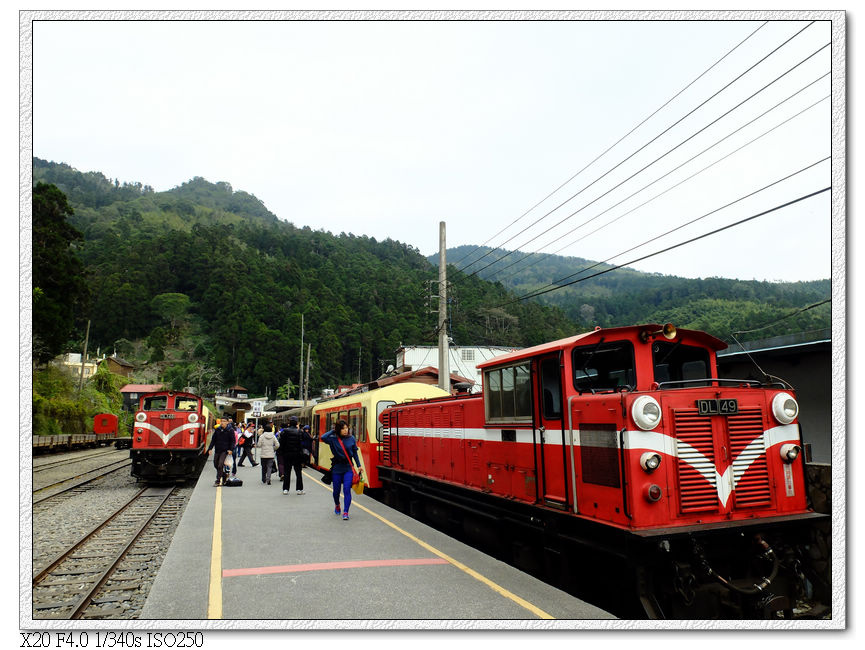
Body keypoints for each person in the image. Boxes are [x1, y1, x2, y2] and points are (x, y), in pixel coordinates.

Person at [320, 419, 362, 520]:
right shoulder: (333, 439)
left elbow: (355, 453)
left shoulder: (351, 438)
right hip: (337, 469)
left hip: (348, 467)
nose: (346, 430)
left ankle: (346, 511)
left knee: (347, 489)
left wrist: (359, 465)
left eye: (347, 428)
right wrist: (333, 430)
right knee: (336, 491)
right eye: (343, 429)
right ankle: (337, 504)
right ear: (338, 430)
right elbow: (323, 437)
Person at [278, 416, 305, 495]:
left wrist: (282, 452)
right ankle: (299, 489)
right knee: (298, 473)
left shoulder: (285, 431)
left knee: (287, 472)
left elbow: (281, 443)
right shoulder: (300, 432)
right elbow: (301, 444)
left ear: (289, 423)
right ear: (296, 423)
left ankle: (286, 489)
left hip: (287, 454)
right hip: (297, 455)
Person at [206, 416, 236, 486]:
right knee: (215, 464)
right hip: (217, 449)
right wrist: (210, 449)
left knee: (220, 465)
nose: (222, 422)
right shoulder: (218, 429)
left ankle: (218, 480)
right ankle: (224, 475)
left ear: (227, 422)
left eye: (224, 421)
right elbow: (213, 440)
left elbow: (233, 441)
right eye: (221, 421)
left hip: (225, 450)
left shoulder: (230, 430)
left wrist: (231, 449)